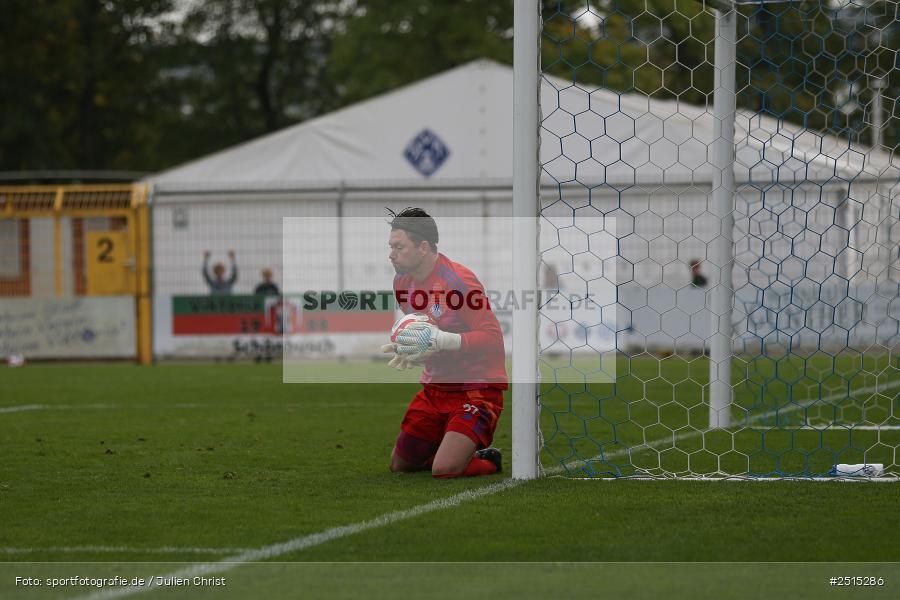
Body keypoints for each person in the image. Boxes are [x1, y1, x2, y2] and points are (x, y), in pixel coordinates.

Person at [381, 207, 507, 479]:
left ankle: (488, 460)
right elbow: (426, 333)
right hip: (435, 388)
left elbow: (492, 339)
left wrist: (442, 340)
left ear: (423, 247)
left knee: (444, 470)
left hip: (477, 387)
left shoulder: (459, 282)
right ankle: (449, 449)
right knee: (400, 466)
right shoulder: (402, 282)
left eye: (399, 247)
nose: (391, 254)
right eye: (391, 246)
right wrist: (412, 349)